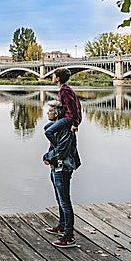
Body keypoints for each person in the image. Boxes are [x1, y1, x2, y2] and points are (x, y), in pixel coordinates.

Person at [42, 100, 81, 248]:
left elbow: (62, 151)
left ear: (57, 113)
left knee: (65, 201)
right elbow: (54, 146)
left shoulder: (65, 130)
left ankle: (69, 236)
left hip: (63, 168)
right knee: (60, 198)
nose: (47, 113)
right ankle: (62, 225)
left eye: (50, 110)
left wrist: (47, 157)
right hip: (56, 167)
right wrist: (49, 156)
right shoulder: (57, 128)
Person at [52, 68, 82, 133]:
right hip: (67, 117)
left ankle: (58, 143)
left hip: (69, 118)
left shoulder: (65, 91)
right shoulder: (64, 89)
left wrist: (75, 124)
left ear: (58, 79)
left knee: (49, 131)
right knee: (47, 127)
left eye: (53, 76)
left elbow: (73, 108)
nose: (52, 77)